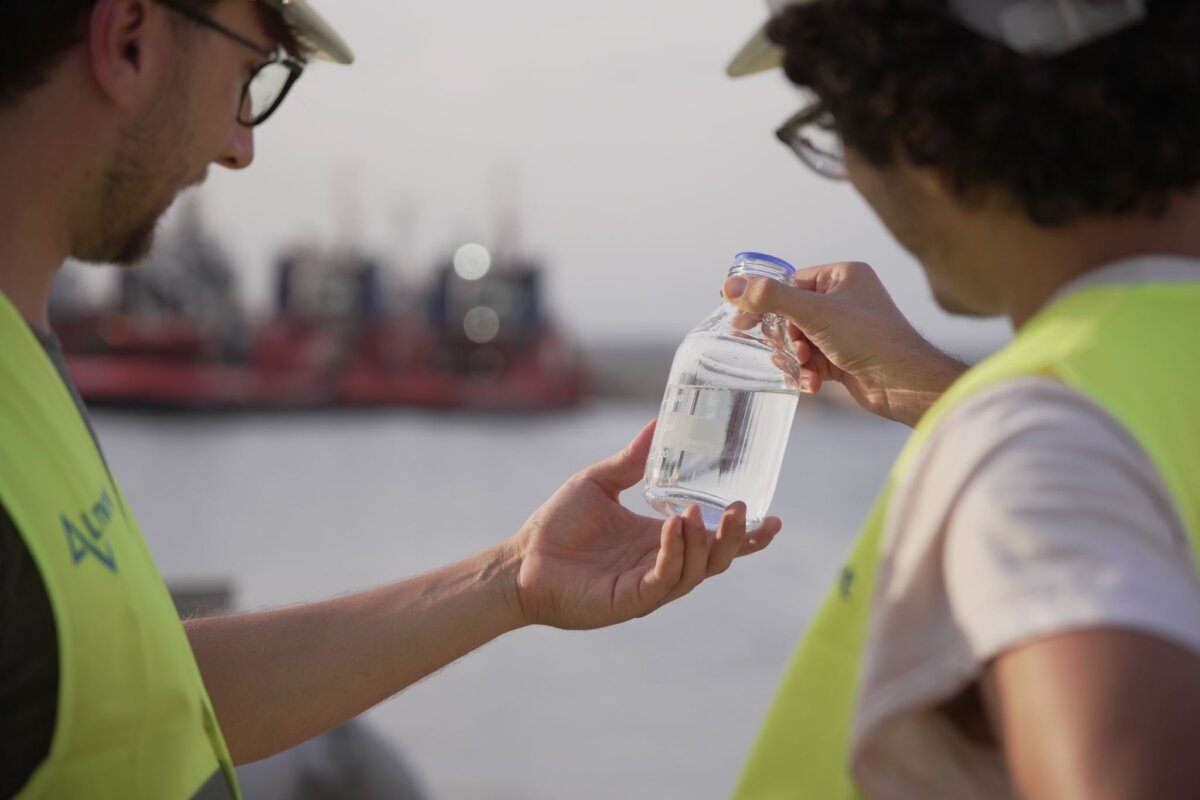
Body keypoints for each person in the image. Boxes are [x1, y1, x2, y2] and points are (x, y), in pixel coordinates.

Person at [0, 2, 783, 798]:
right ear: (129, 40)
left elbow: (144, 691)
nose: (241, 145)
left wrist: (513, 579)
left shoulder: (28, 369)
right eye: (248, 77)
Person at [720, 0, 1200, 797]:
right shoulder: (1083, 418)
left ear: (917, 128)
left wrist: (1003, 433)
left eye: (834, 126)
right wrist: (934, 391)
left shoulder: (1039, 445)